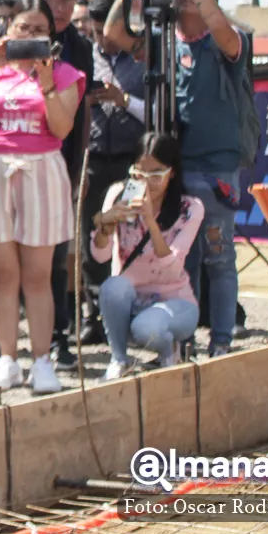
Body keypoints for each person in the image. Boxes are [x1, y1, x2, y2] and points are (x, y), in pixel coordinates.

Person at [104, 0, 250, 357]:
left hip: (216, 170)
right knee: (180, 260)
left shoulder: (228, 43)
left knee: (219, 258)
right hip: (174, 171)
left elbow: (219, 25)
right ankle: (180, 344)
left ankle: (220, 342)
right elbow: (115, 33)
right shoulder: (166, 42)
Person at [0, 0, 85, 393]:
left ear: (52, 34)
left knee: (38, 274)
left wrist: (46, 83)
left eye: (39, 30)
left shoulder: (66, 74)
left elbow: (63, 129)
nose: (30, 36)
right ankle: (8, 358)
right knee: (3, 274)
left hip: (41, 170)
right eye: (22, 28)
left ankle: (42, 360)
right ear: (7, 29)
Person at [90, 133, 202, 379]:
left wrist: (150, 219)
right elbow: (99, 255)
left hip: (174, 300)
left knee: (146, 328)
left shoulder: (190, 208)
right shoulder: (119, 193)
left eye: (156, 175)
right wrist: (107, 225)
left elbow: (172, 267)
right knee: (111, 287)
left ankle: (169, 351)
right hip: (129, 298)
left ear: (172, 173)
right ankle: (119, 359)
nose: (147, 182)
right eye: (139, 174)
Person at [35, 0, 96, 369]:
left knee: (58, 256)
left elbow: (85, 112)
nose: (59, 7)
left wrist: (79, 169)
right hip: (13, 160)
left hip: (60, 162)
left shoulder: (81, 47)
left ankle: (58, 336)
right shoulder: (19, 40)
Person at [80, 0, 146, 343]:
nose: (101, 37)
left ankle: (131, 312)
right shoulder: (82, 57)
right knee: (93, 238)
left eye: (106, 29)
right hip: (91, 162)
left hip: (131, 163)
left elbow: (158, 113)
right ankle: (94, 316)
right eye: (95, 30)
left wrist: (124, 100)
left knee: (131, 235)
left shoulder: (142, 59)